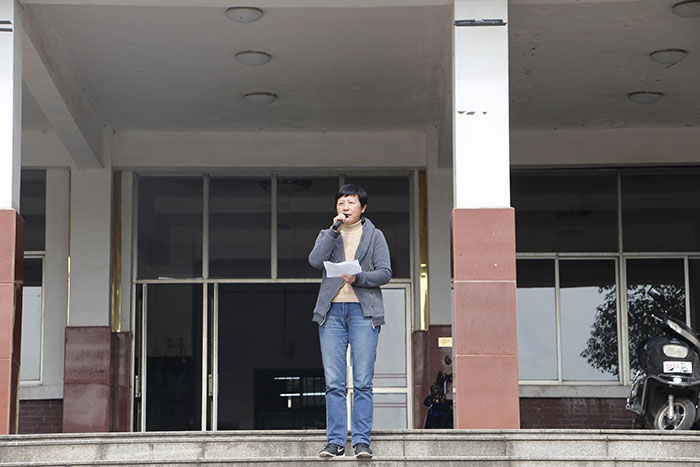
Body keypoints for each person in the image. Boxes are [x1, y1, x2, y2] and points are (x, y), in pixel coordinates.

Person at [308, 184, 392, 459]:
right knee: (334, 381)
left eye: (351, 202)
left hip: (363, 313)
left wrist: (359, 278)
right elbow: (315, 260)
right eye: (341, 203)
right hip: (331, 312)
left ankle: (361, 442)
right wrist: (334, 230)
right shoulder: (328, 234)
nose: (345, 207)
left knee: (363, 381)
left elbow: (385, 272)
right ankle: (335, 441)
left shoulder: (375, 235)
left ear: (363, 208)